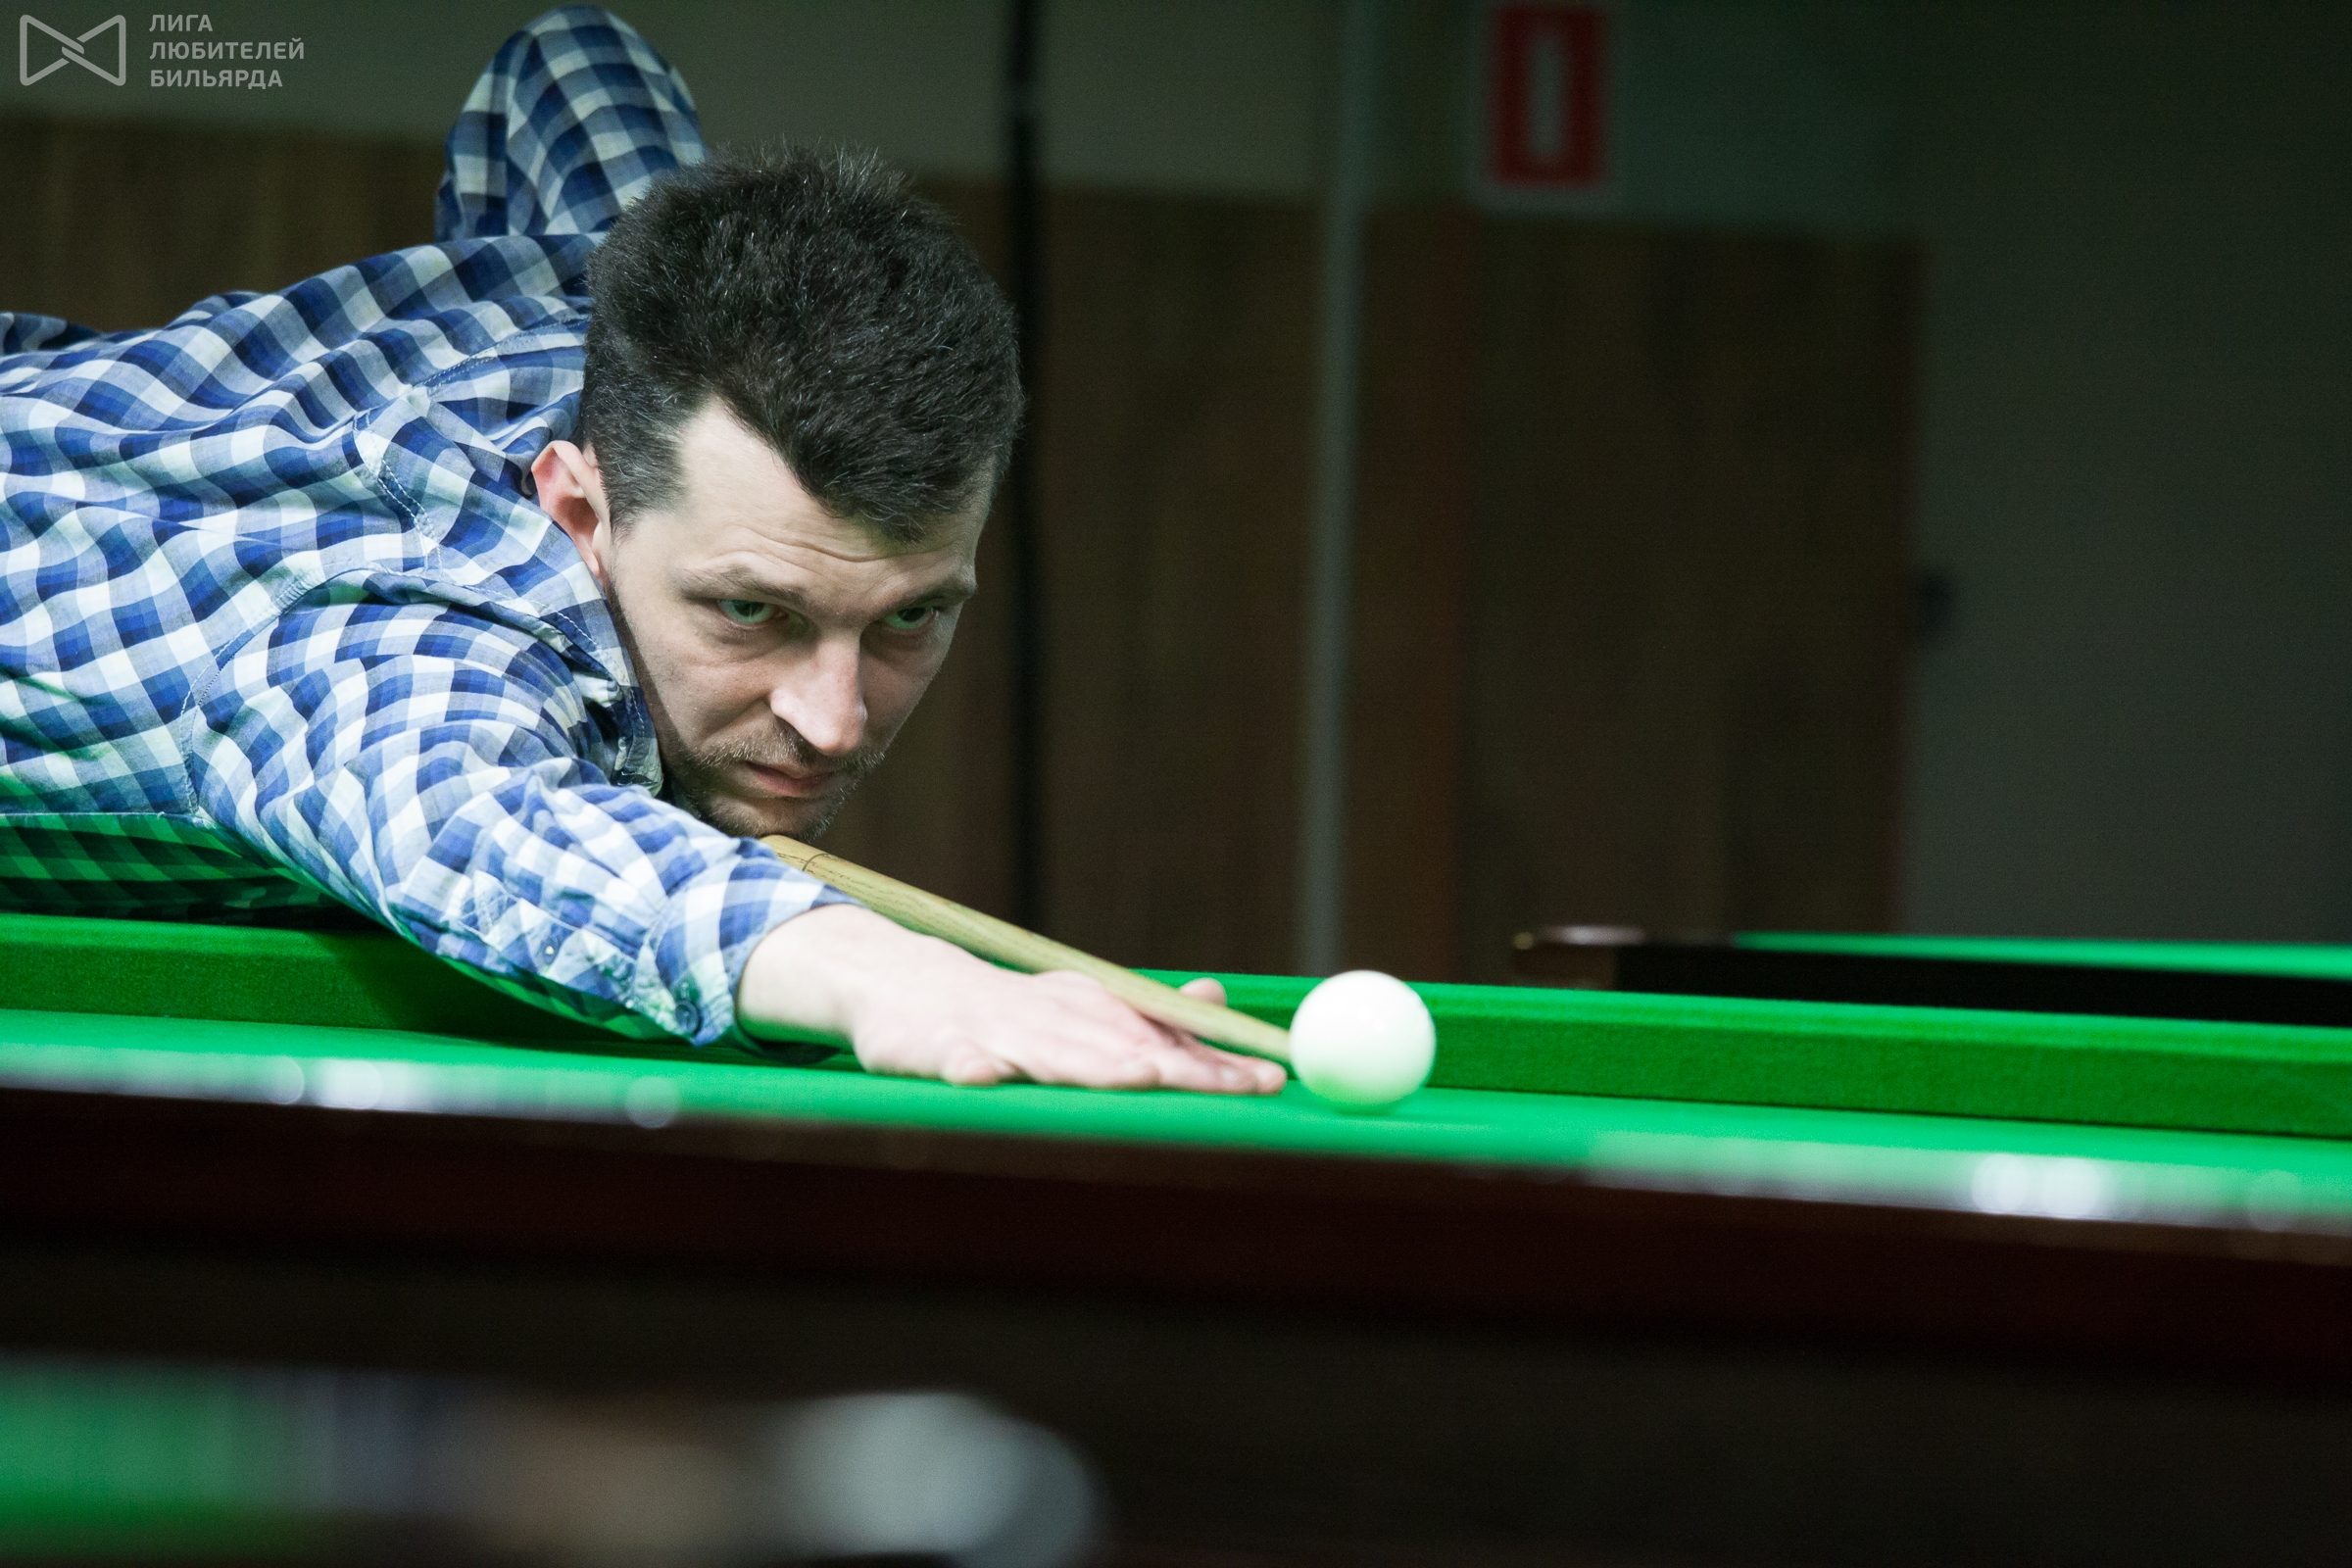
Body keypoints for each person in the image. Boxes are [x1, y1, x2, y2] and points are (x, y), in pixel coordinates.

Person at [0, 7, 1282, 1098]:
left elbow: (569, 59)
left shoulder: (640, 299)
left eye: (908, 617)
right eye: (751, 612)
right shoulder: (398, 621)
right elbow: (475, 817)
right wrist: (885, 975)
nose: (833, 722)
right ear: (578, 508)